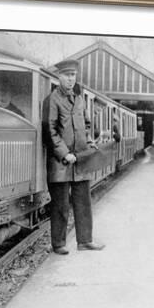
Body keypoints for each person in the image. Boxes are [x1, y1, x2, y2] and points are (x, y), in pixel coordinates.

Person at [42, 59, 105, 255]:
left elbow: (86, 125)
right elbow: (49, 130)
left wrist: (89, 141)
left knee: (84, 202)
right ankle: (58, 244)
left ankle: (85, 241)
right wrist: (64, 153)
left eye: (73, 76)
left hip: (80, 160)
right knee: (60, 205)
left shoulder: (79, 99)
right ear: (59, 77)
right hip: (60, 162)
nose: (71, 79)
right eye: (67, 75)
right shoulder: (51, 100)